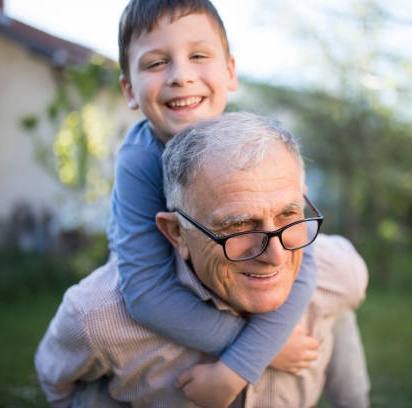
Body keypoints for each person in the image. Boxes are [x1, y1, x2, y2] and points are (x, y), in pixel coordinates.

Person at [35, 112, 370, 407]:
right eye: (238, 225)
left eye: (288, 214)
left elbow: (344, 322)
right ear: (177, 233)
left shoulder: (338, 271)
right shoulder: (98, 317)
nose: (275, 256)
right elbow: (59, 385)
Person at [109, 0, 319, 404]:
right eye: (155, 64)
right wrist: (255, 354)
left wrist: (239, 364)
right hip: (181, 293)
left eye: (199, 56)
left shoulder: (257, 145)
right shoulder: (138, 161)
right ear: (129, 90)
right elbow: (147, 293)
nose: (181, 76)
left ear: (230, 72)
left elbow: (304, 261)